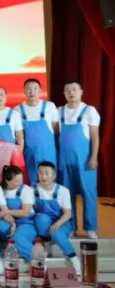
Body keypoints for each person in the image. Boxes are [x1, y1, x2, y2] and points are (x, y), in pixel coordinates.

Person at [59, 81, 99, 239]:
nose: (71, 92)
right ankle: (70, 226)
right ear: (64, 93)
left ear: (81, 92)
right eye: (67, 90)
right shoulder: (59, 111)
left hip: (84, 160)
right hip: (64, 159)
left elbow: (95, 136)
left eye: (74, 89)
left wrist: (94, 157)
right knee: (67, 194)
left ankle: (90, 228)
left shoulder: (89, 110)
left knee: (88, 193)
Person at [33, 161, 82, 277]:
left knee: (57, 233)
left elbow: (68, 213)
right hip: (43, 223)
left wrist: (58, 223)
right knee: (41, 218)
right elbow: (29, 210)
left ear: (54, 175)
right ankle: (46, 242)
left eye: (47, 173)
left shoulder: (63, 191)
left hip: (62, 222)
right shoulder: (32, 190)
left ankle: (74, 258)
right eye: (40, 173)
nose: (43, 176)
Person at [19, 78, 59, 185]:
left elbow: (56, 129)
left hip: (47, 150)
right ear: (24, 91)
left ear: (40, 90)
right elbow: (19, 134)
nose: (32, 92)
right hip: (28, 151)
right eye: (28, 89)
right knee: (31, 179)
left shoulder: (49, 106)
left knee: (50, 180)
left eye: (35, 88)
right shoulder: (18, 110)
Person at [0, 164, 37, 262]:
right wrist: (9, 219)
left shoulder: (26, 190)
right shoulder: (0, 190)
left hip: (27, 223)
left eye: (21, 179)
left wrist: (6, 211)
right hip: (9, 222)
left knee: (17, 238)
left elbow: (25, 212)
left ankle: (37, 261)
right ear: (7, 181)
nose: (20, 183)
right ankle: (13, 247)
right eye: (17, 181)